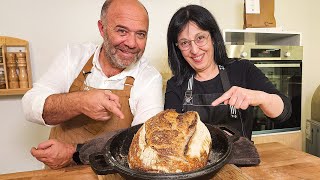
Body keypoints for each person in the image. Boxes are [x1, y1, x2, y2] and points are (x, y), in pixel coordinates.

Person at [22, 0, 163, 169]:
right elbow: (30, 106)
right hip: (59, 175)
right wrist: (80, 102)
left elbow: (143, 142)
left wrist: (74, 153)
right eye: (122, 31)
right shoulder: (73, 57)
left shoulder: (149, 77)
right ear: (102, 28)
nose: (132, 43)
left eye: (140, 34)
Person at [164, 4, 292, 140]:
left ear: (212, 37)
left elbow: (283, 113)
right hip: (195, 160)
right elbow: (171, 137)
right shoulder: (175, 85)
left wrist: (260, 97)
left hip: (239, 160)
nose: (194, 50)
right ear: (177, 48)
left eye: (200, 38)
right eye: (185, 43)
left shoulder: (242, 70)